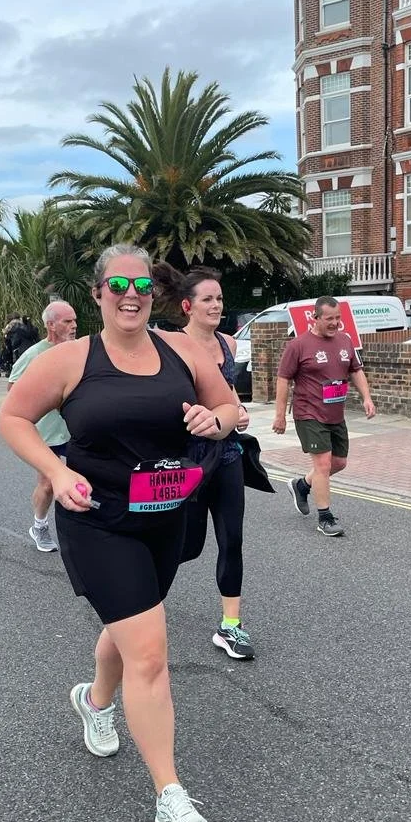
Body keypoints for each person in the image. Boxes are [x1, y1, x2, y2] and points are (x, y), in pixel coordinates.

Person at [0, 244, 238, 822]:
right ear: (97, 293)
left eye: (141, 285)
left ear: (153, 294)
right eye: (117, 286)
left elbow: (229, 404)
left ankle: (94, 699)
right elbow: (12, 418)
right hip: (98, 520)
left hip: (165, 516)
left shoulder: (182, 349)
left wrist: (219, 422)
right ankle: (169, 794)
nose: (130, 295)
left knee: (135, 626)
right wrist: (55, 475)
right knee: (150, 652)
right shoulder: (70, 360)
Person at [153, 263, 254, 660]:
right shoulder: (170, 344)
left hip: (226, 455)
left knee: (233, 539)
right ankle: (142, 606)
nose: (217, 305)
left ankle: (231, 626)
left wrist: (237, 411)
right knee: (186, 544)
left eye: (219, 298)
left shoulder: (228, 344)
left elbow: (227, 394)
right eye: (208, 299)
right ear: (187, 306)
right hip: (185, 461)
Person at [273, 296, 376, 537]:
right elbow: (283, 379)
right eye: (329, 318)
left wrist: (367, 398)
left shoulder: (345, 341)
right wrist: (280, 415)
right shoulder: (298, 345)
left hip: (335, 413)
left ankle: (302, 485)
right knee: (322, 463)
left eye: (338, 318)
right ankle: (325, 518)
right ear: (315, 317)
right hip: (308, 412)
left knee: (339, 463)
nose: (335, 323)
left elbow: (356, 370)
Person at [8, 301, 77, 552]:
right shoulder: (35, 355)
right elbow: (13, 391)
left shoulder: (79, 351)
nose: (73, 326)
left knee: (88, 477)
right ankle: (39, 526)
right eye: (67, 321)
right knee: (48, 482)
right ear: (51, 325)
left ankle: (88, 531)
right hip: (46, 432)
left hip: (77, 430)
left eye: (74, 321)